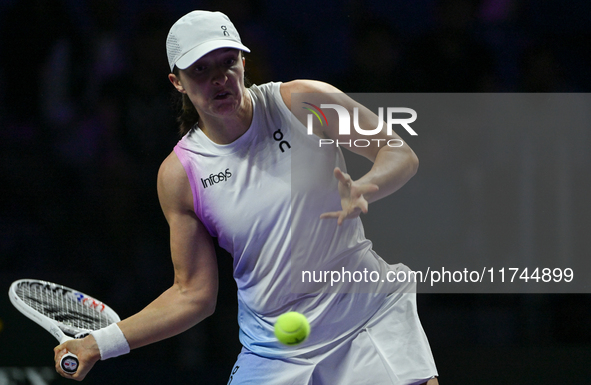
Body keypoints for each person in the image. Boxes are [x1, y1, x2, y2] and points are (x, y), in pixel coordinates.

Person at [54, 10, 438, 384]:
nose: (219, 78)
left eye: (228, 62)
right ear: (177, 82)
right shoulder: (180, 175)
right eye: (200, 70)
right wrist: (99, 343)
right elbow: (192, 295)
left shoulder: (304, 103)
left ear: (243, 61)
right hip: (274, 351)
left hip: (366, 315)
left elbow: (398, 152)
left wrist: (366, 186)